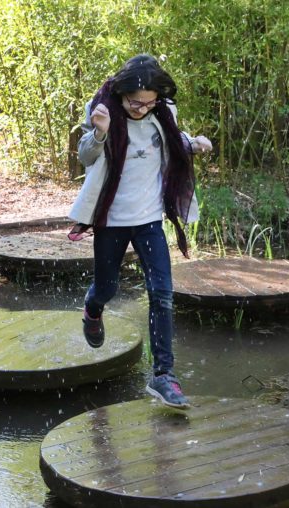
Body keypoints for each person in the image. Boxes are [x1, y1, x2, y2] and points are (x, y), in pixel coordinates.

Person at [68, 54, 212, 409]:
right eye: (136, 102)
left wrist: (192, 144)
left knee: (162, 292)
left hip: (149, 219)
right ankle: (92, 308)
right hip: (112, 220)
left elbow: (173, 138)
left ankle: (164, 375)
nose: (143, 109)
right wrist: (99, 131)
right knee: (107, 287)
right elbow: (86, 157)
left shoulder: (162, 112)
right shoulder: (102, 111)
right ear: (121, 93)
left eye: (150, 103)